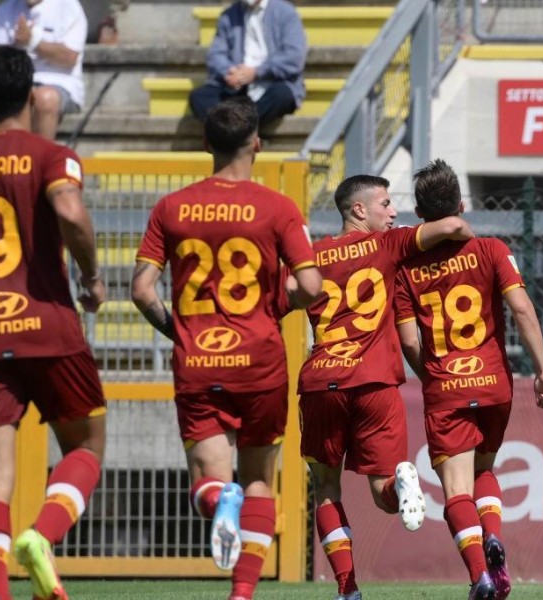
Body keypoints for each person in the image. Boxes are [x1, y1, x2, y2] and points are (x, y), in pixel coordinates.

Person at [131, 97, 322, 600]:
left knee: (208, 488)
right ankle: (242, 595)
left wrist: (180, 332)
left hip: (198, 362)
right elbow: (312, 285)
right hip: (260, 363)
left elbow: (141, 290)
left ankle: (223, 499)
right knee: (261, 480)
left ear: (204, 144)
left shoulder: (170, 207)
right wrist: (277, 304)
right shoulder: (278, 206)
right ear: (257, 143)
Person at [0, 46, 107, 600]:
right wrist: (91, 276)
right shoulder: (50, 154)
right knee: (87, 444)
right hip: (48, 328)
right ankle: (42, 537)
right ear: (30, 96)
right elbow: (69, 211)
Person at [294, 174, 475, 600]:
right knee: (384, 496)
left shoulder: (314, 256)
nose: (394, 212)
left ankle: (347, 588)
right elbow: (450, 226)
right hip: (374, 381)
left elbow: (285, 296)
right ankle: (403, 482)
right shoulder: (388, 245)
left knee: (326, 489)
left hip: (322, 381)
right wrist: (465, 231)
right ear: (359, 210)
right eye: (386, 204)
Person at [393, 159, 543, 600]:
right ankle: (494, 538)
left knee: (456, 490)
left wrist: (432, 375)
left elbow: (410, 342)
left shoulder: (406, 272)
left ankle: (480, 575)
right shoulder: (492, 250)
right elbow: (523, 309)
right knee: (485, 468)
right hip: (493, 383)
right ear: (461, 205)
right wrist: (542, 370)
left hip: (446, 385)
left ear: (421, 218)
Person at [0, 0, 87, 141]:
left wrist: (32, 41)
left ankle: (42, 160)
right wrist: (16, 45)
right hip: (16, 80)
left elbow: (69, 58)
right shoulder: (6, 9)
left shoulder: (69, 7)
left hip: (60, 82)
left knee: (44, 99)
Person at [188, 0, 305, 128]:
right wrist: (229, 71)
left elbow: (293, 57)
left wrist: (256, 72)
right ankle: (240, 132)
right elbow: (216, 54)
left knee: (282, 95)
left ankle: (234, 133)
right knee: (199, 97)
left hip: (272, 84)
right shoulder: (229, 15)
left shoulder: (286, 13)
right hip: (236, 88)